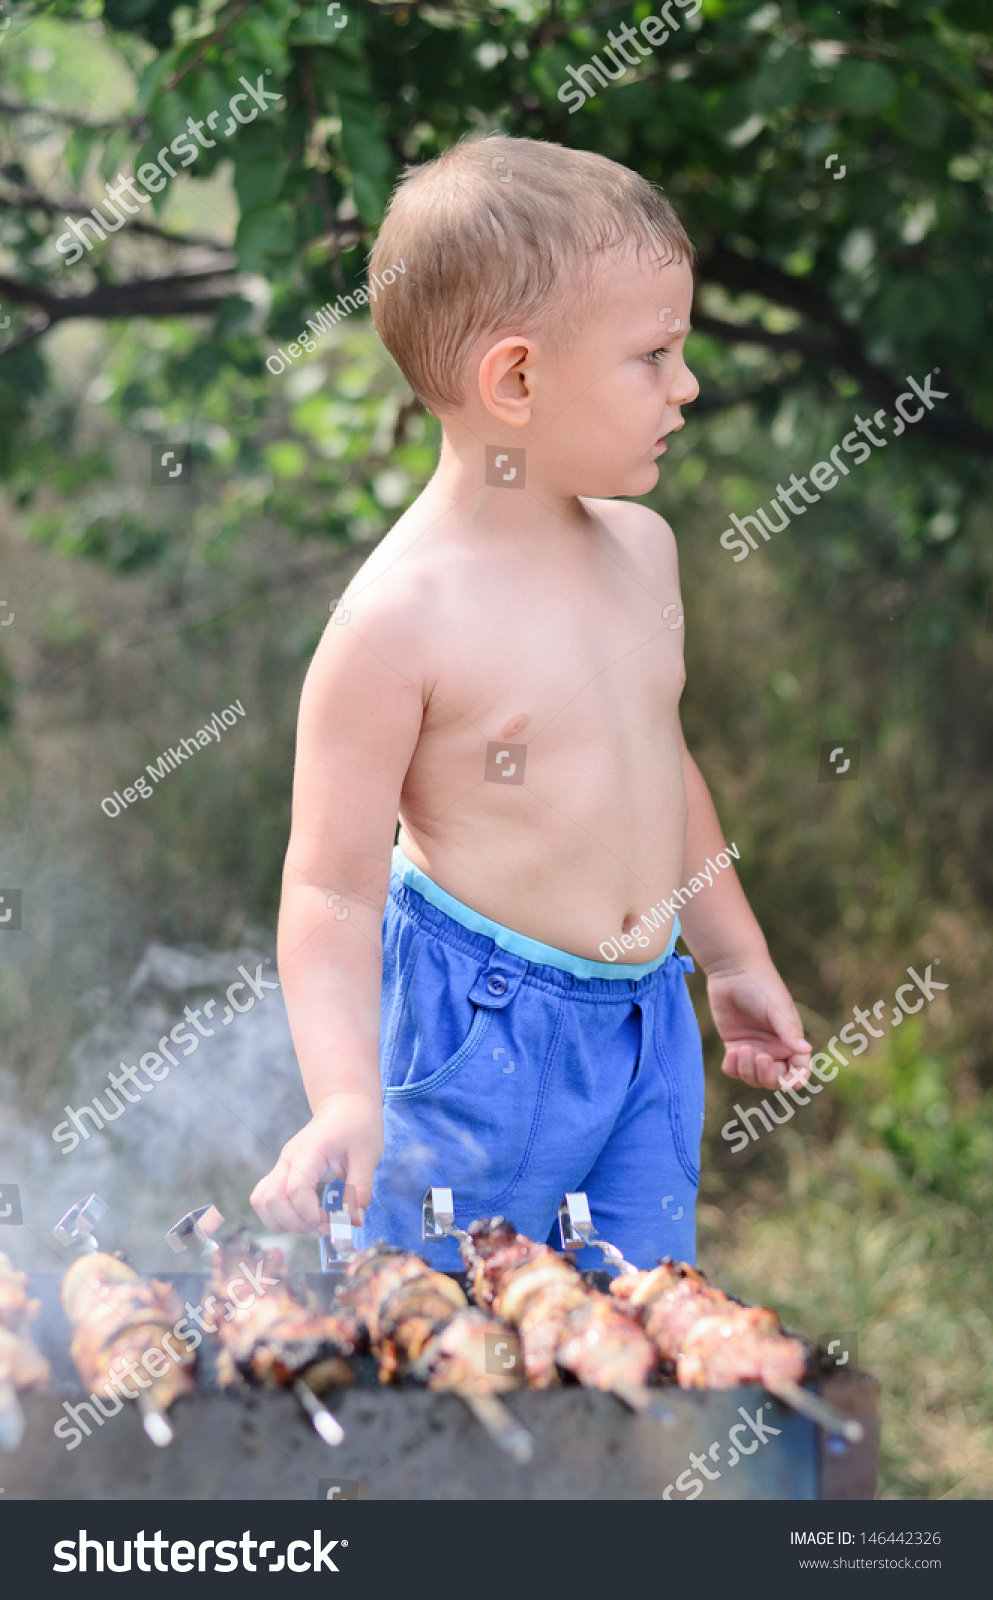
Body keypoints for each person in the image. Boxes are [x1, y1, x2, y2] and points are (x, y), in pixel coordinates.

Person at [250, 136, 811, 1268]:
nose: (688, 385)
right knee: (433, 1331)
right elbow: (327, 884)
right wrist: (347, 1095)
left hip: (645, 1028)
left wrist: (734, 953)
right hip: (480, 1036)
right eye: (653, 355)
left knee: (641, 1325)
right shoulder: (397, 622)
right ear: (515, 381)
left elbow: (659, 766)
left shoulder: (643, 551)